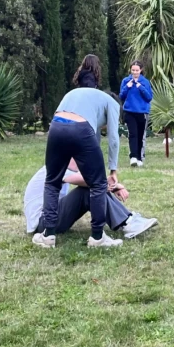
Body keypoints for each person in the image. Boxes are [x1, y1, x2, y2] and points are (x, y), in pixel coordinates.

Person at [33, 82, 122, 248]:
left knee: (52, 182)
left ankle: (48, 236)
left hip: (56, 126)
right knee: (98, 184)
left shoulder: (80, 95)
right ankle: (97, 238)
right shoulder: (112, 103)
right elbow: (113, 138)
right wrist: (113, 170)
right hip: (80, 128)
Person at [24, 159, 158, 244]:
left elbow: (93, 181)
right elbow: (91, 181)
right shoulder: (59, 166)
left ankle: (129, 220)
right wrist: (115, 186)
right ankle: (127, 223)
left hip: (49, 219)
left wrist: (110, 185)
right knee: (86, 191)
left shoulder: (57, 165)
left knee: (92, 188)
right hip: (43, 224)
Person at [120, 60, 153, 167]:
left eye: (137, 70)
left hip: (142, 112)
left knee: (140, 135)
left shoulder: (145, 82)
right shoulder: (126, 81)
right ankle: (133, 157)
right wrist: (127, 87)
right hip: (129, 111)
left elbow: (149, 97)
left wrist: (140, 87)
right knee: (133, 134)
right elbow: (121, 96)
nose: (134, 72)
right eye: (133, 70)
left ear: (141, 70)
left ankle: (139, 157)